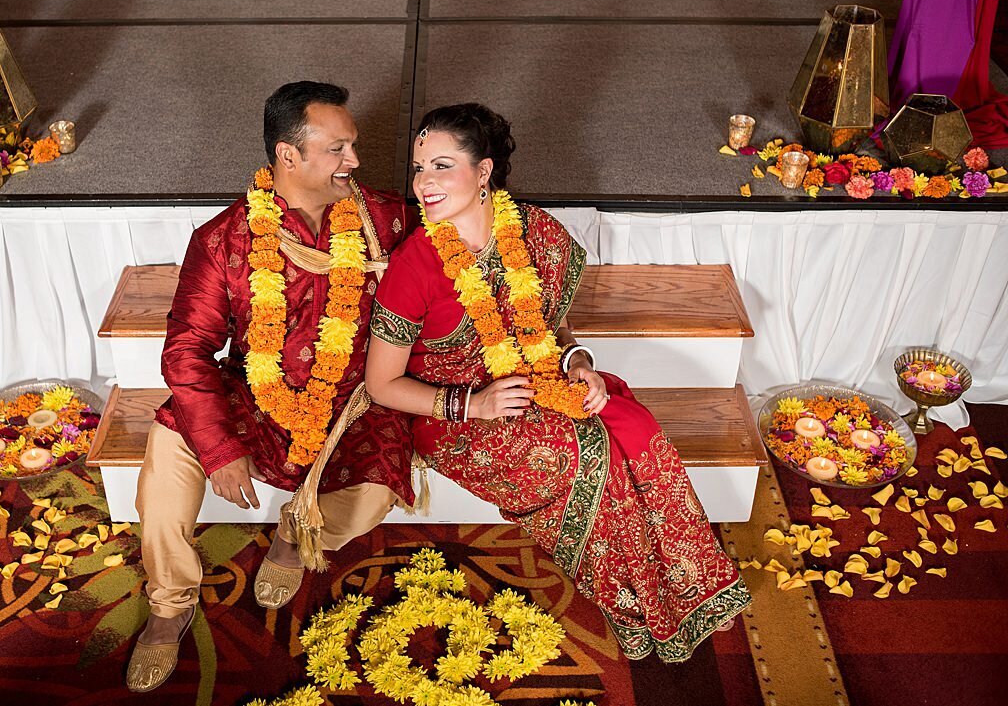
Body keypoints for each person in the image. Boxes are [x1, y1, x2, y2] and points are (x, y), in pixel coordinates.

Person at [364, 103, 751, 663]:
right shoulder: (415, 266)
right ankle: (638, 605)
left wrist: (577, 360)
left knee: (633, 425)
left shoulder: (533, 231)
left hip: (540, 376)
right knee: (585, 451)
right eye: (419, 168)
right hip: (456, 417)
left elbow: (551, 321)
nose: (424, 183)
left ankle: (691, 583)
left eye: (442, 166)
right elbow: (383, 384)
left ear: (484, 171)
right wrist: (476, 403)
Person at [126, 81, 416, 692]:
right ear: (289, 156)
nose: (355, 162)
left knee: (374, 496)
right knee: (165, 465)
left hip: (354, 400)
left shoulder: (385, 220)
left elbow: (459, 259)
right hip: (255, 396)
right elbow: (187, 350)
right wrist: (220, 448)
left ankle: (295, 532)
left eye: (353, 147)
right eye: (339, 149)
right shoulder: (225, 239)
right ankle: (169, 601)